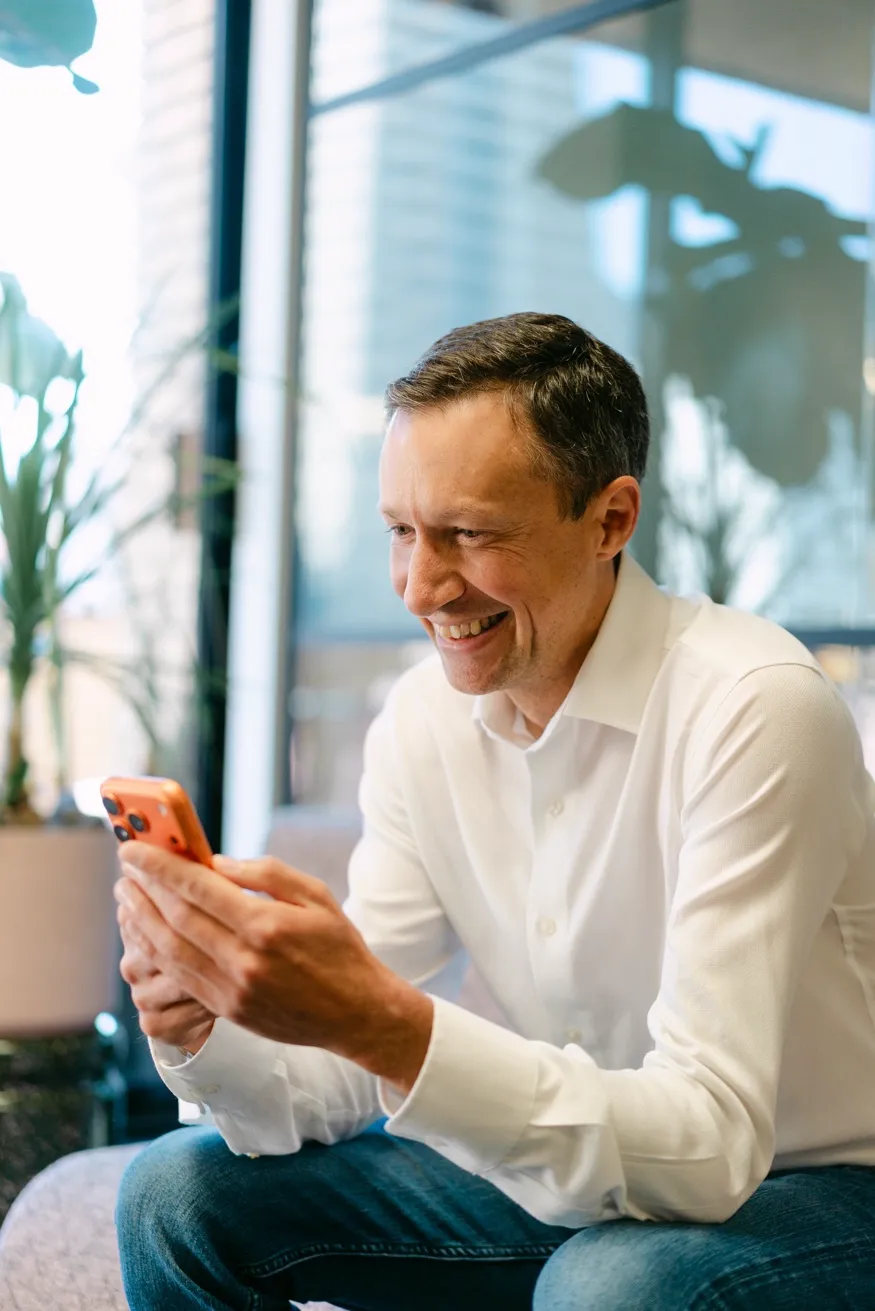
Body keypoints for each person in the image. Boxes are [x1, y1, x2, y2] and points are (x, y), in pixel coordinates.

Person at [114, 313, 875, 1311]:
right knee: (174, 1193)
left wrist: (384, 1024)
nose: (420, 587)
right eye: (400, 531)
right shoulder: (421, 725)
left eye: (468, 535)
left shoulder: (753, 705)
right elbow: (339, 1076)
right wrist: (209, 1025)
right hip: (583, 1178)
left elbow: (706, 1143)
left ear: (609, 520)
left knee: (609, 1286)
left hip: (818, 1185)